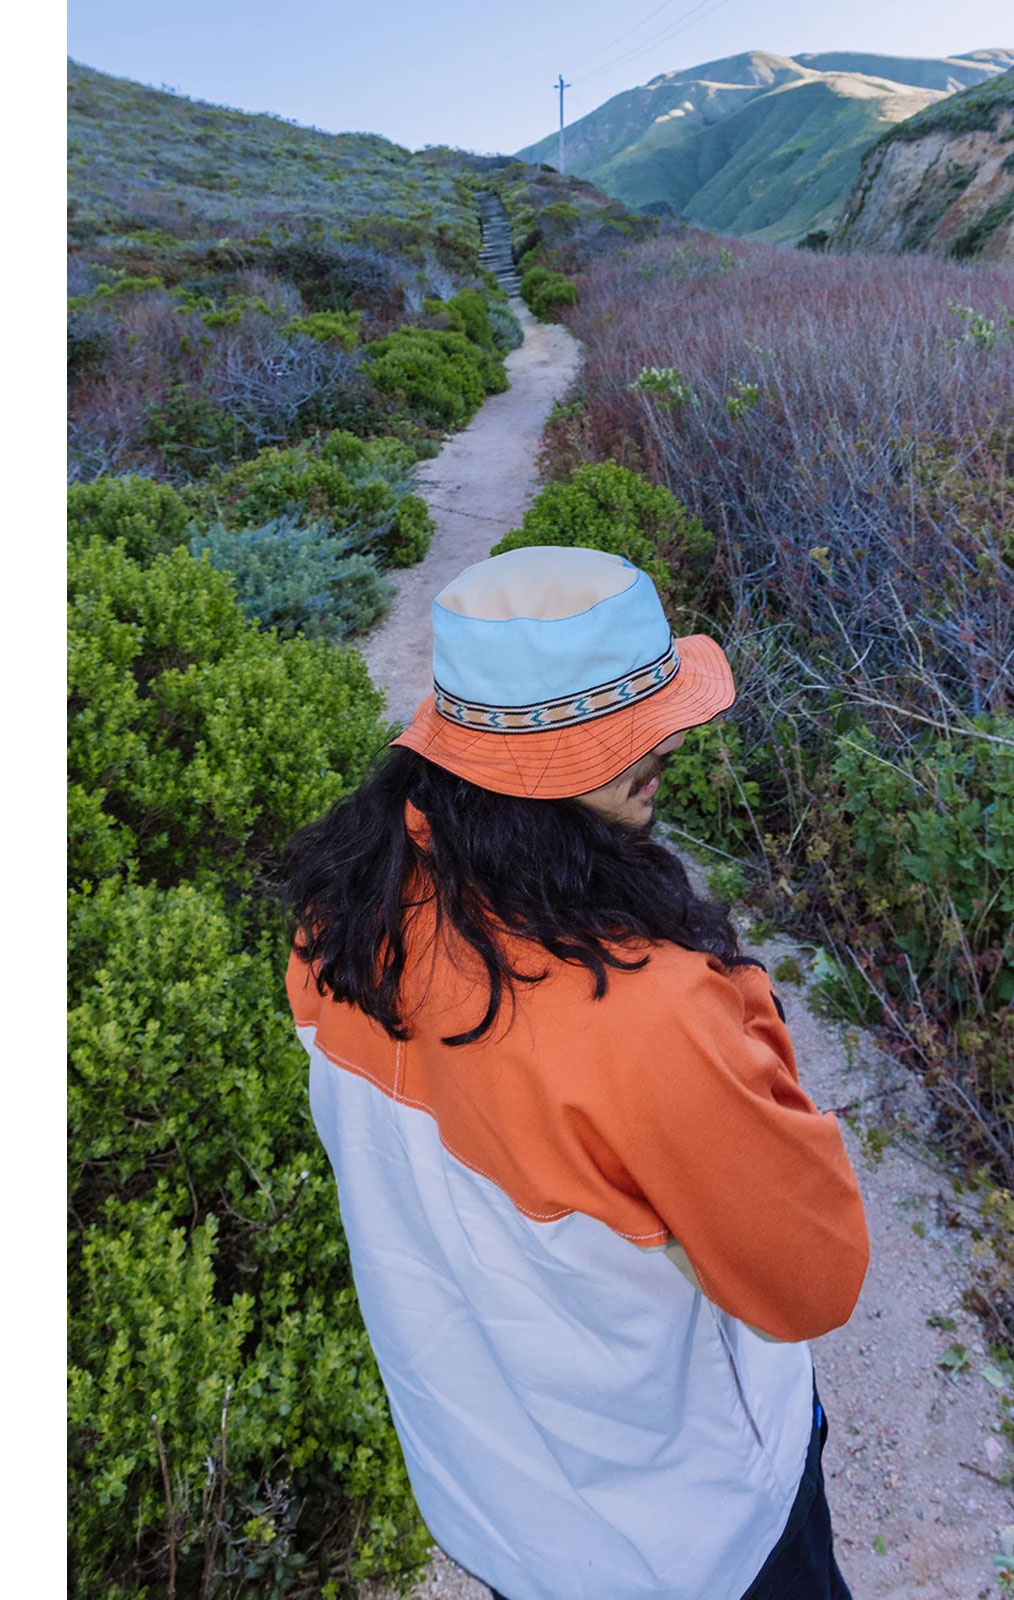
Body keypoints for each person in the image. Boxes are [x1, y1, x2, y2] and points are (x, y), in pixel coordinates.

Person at [284, 544, 869, 1600]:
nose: (671, 740)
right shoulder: (653, 1013)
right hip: (698, 1544)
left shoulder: (339, 921)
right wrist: (738, 999)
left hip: (495, 1503)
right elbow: (813, 1279)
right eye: (624, 732)